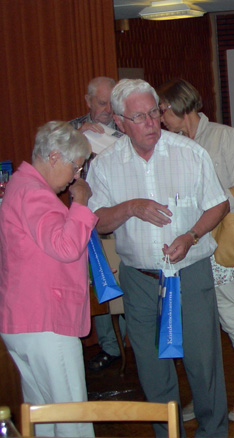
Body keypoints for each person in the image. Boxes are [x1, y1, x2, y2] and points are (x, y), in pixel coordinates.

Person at [86, 79, 230, 437]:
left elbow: (218, 204)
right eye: (139, 117)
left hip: (189, 274)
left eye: (154, 112)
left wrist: (191, 235)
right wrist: (131, 207)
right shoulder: (105, 165)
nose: (151, 122)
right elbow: (97, 220)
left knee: (203, 364)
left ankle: (213, 432)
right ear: (120, 122)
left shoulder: (189, 153)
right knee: (152, 369)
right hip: (140, 280)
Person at [156, 78, 234, 422]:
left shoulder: (223, 136)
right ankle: (204, 399)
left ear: (180, 106)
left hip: (220, 241)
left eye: (162, 110)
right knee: (195, 328)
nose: (159, 118)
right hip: (186, 246)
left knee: (232, 318)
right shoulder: (169, 145)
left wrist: (212, 208)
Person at [0, 121, 97, 437]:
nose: (75, 177)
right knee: (71, 418)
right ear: (54, 157)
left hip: (25, 319)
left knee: (42, 417)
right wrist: (80, 203)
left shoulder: (20, 185)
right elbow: (65, 247)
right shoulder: (35, 193)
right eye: (75, 167)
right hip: (45, 321)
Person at [71, 76, 127, 372]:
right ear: (88, 101)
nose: (107, 110)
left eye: (111, 103)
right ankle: (110, 346)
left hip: (124, 220)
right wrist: (76, 138)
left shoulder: (125, 125)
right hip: (87, 224)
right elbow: (47, 160)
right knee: (100, 284)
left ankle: (138, 341)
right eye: (101, 103)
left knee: (129, 282)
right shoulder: (71, 129)